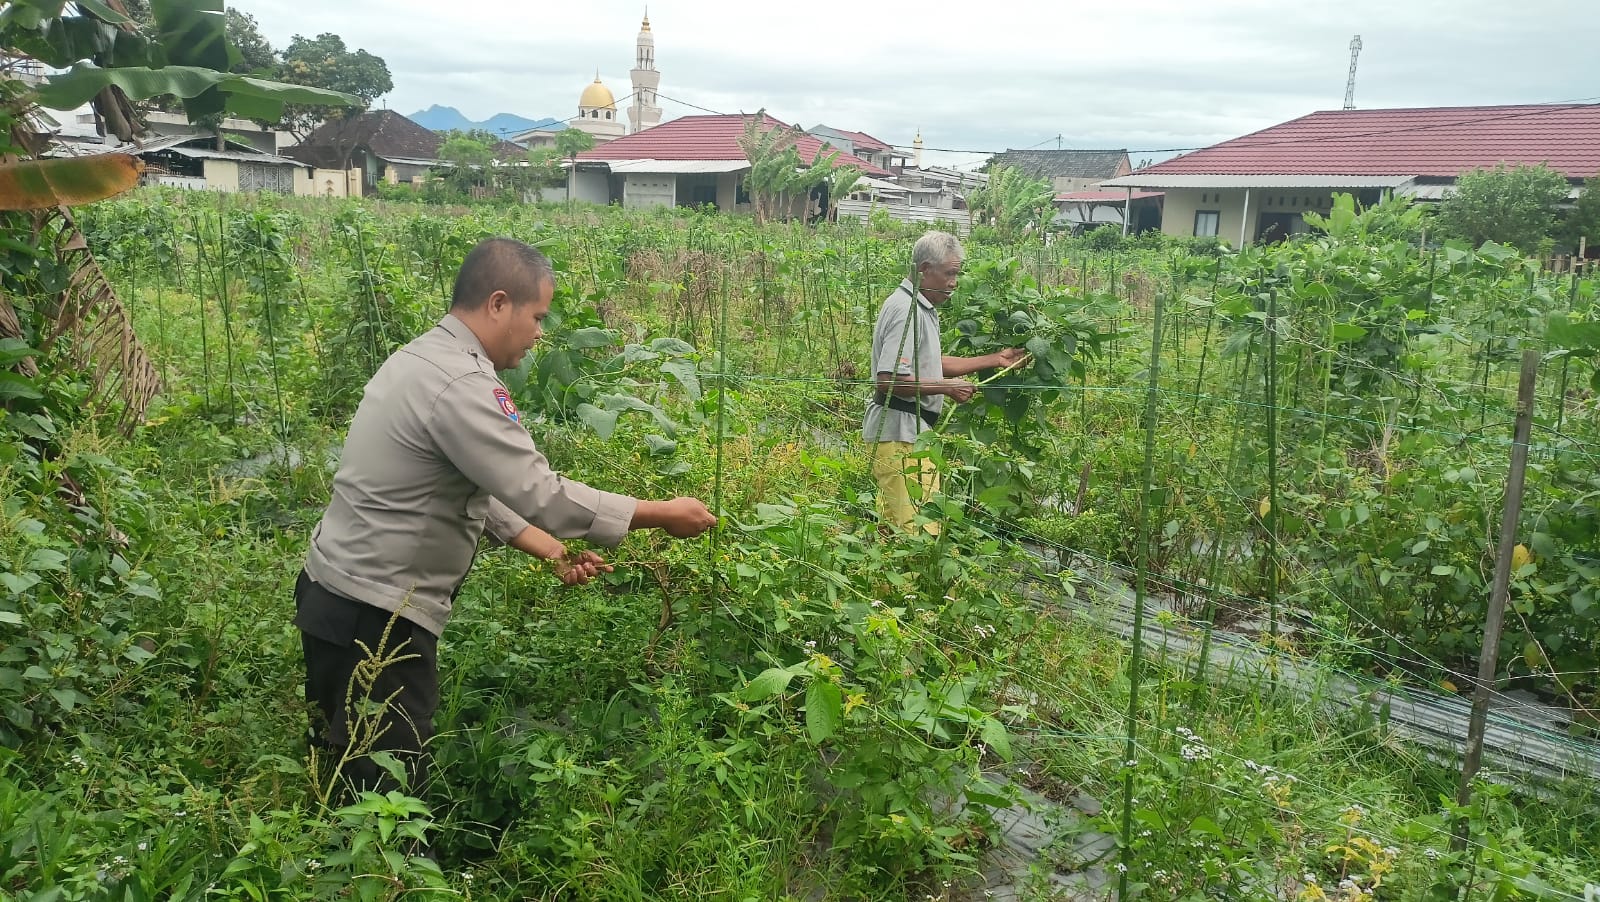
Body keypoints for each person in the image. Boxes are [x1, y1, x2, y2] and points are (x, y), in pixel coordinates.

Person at [294, 237, 717, 797]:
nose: (540, 333)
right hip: (373, 616)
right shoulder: (461, 384)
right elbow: (543, 494)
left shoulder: (421, 356)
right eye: (537, 317)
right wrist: (662, 513)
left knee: (340, 763)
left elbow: (463, 482)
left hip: (333, 594)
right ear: (498, 304)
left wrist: (551, 549)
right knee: (385, 793)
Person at [862, 231, 1024, 533]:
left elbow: (930, 362)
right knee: (916, 529)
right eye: (950, 273)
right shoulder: (906, 310)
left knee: (896, 527)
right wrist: (947, 388)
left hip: (908, 434)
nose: (954, 282)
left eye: (956, 274)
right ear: (925, 269)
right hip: (900, 434)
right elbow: (888, 379)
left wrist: (995, 359)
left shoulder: (919, 306)